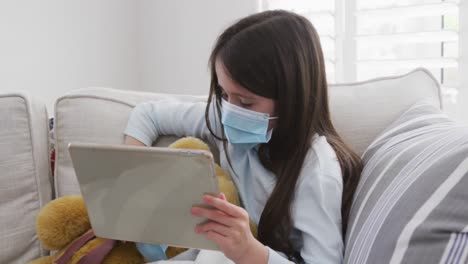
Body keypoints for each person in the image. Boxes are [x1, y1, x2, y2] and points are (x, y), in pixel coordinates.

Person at [123, 10, 362, 264]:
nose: (229, 113)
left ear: (291, 99)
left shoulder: (317, 170)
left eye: (246, 102)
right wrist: (130, 178)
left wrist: (250, 252)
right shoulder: (225, 120)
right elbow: (148, 114)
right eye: (224, 95)